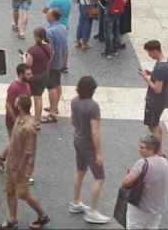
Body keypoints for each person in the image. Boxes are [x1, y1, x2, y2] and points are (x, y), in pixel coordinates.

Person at [0, 96, 49, 230]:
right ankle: (12, 220)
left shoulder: (28, 127)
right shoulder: (19, 119)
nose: (14, 103)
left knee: (24, 194)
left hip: (20, 168)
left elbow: (28, 152)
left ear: (19, 106)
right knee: (10, 191)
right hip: (11, 163)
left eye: (16, 102)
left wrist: (20, 170)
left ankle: (43, 216)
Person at [69, 75, 110, 224]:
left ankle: (76, 202)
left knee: (80, 171)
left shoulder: (74, 101)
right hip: (88, 144)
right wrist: (98, 152)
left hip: (77, 140)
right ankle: (92, 212)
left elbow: (72, 121)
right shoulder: (93, 106)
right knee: (99, 177)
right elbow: (95, 132)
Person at [121, 135, 168, 230]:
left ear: (151, 149)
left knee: (134, 226)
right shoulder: (165, 161)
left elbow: (126, 182)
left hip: (140, 206)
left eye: (142, 147)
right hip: (157, 207)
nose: (139, 149)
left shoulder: (142, 163)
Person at [140, 40, 168, 145]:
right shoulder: (167, 61)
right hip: (163, 100)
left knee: (153, 126)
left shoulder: (161, 67)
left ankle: (157, 150)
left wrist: (146, 78)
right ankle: (159, 148)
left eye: (149, 53)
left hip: (155, 101)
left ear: (154, 51)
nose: (149, 55)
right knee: (156, 123)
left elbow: (157, 89)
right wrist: (151, 73)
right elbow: (162, 78)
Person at [24, 27, 52, 122]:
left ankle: (26, 118)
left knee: (26, 97)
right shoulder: (49, 46)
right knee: (38, 98)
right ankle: (37, 121)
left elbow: (28, 64)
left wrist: (24, 58)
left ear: (36, 37)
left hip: (33, 76)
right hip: (44, 74)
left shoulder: (32, 50)